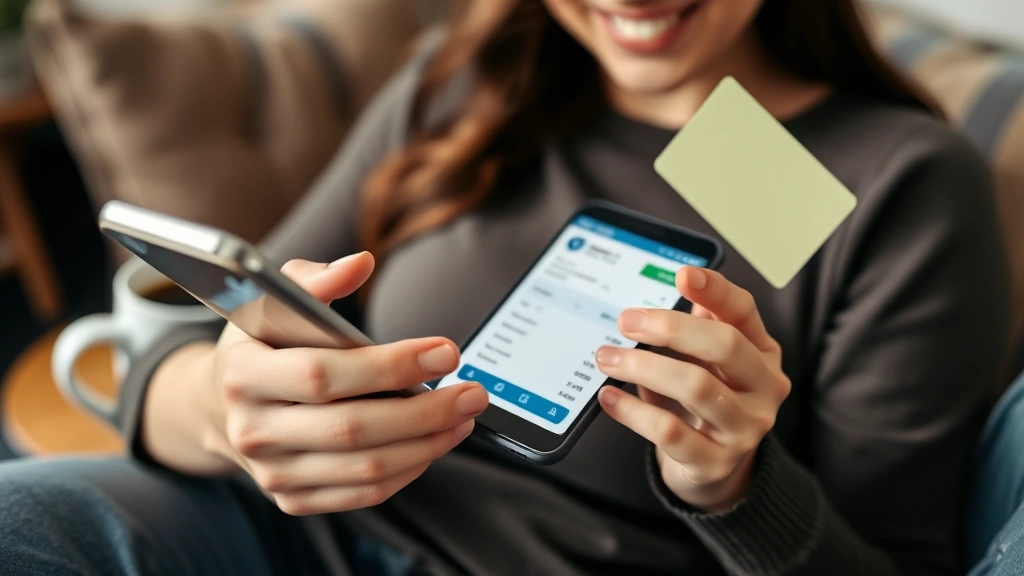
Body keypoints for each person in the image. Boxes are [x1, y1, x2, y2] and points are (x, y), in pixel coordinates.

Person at [0, 0, 1010, 574]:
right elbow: (194, 343)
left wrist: (733, 489)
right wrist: (224, 413)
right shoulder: (469, 80)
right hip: (283, 531)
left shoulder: (891, 180)